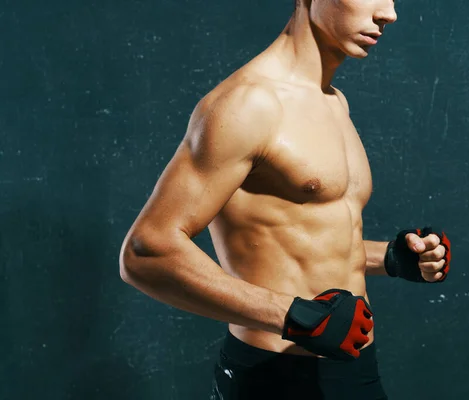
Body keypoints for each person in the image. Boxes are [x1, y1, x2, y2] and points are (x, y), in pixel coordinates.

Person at [119, 0, 452, 399]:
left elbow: (298, 242)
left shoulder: (333, 101)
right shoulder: (247, 104)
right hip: (274, 377)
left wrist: (392, 258)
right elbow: (145, 252)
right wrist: (294, 317)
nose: (389, 13)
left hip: (354, 371)